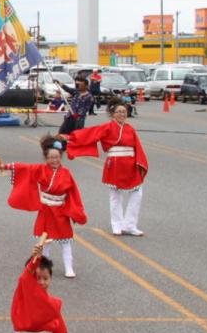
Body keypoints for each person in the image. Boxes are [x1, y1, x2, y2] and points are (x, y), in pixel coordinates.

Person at [0, 135, 87, 278]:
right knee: (45, 241)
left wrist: (74, 211)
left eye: (57, 157)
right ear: (46, 158)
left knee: (65, 241)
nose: (54, 160)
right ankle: (45, 267)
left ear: (61, 157)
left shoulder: (66, 173)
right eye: (50, 157)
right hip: (46, 210)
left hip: (60, 210)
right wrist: (4, 167)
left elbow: (73, 193)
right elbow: (22, 167)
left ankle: (69, 267)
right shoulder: (40, 169)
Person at [61, 97, 149, 237]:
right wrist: (72, 137)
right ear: (113, 114)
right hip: (115, 163)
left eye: (124, 112)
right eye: (119, 112)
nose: (122, 114)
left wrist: (139, 163)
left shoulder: (130, 129)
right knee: (115, 196)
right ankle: (117, 224)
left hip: (130, 164)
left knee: (137, 193)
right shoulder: (107, 127)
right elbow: (90, 134)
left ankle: (130, 225)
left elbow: (137, 147)